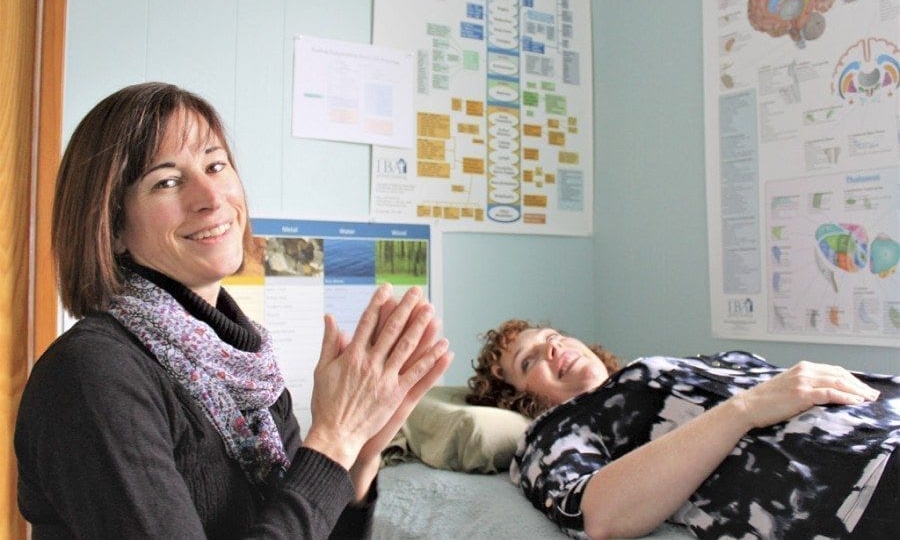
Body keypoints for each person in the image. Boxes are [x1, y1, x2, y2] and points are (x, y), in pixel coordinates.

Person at [15, 82, 453, 539]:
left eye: (215, 164)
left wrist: (358, 458)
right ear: (113, 228)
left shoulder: (246, 367)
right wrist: (333, 442)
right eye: (166, 181)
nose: (211, 197)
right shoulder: (93, 374)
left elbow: (305, 525)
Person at [467, 319, 899, 539]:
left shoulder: (658, 372)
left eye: (552, 336)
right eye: (529, 361)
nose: (553, 347)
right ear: (514, 399)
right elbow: (599, 514)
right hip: (863, 484)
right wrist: (745, 408)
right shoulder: (552, 432)